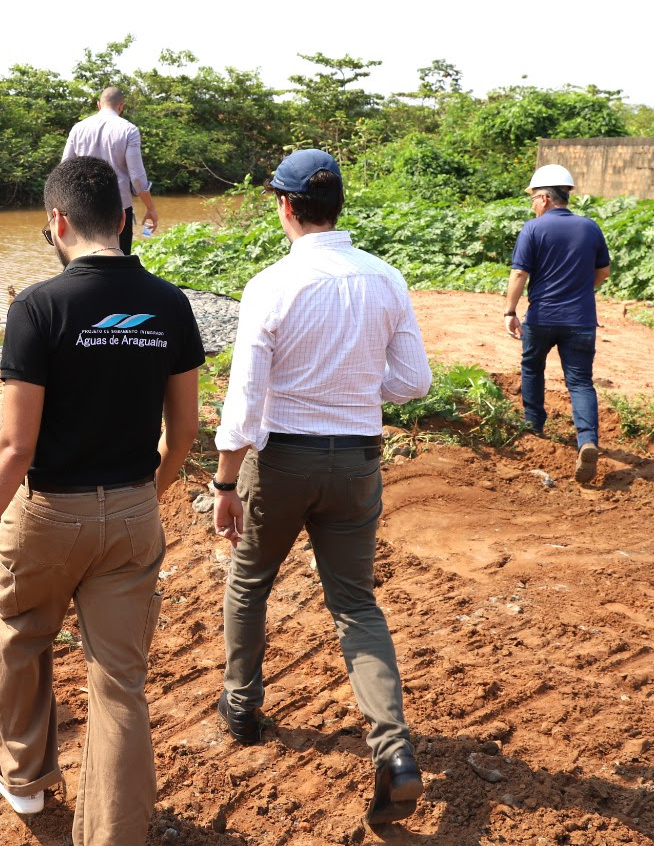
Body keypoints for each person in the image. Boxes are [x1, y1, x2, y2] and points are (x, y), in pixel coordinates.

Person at [0, 155, 204, 846]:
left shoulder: (39, 307)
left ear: (57, 222)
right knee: (120, 681)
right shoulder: (172, 305)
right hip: (134, 507)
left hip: (50, 512)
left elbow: (13, 447)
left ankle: (25, 779)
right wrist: (147, 494)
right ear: (121, 219)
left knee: (23, 632)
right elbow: (184, 432)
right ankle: (115, 835)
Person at [211, 148, 432, 828]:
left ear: (284, 206)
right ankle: (394, 751)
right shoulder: (386, 279)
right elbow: (414, 382)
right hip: (358, 461)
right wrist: (358, 387)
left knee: (250, 580)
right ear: (339, 206)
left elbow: (245, 402)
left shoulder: (271, 285)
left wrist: (223, 479)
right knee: (356, 603)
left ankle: (242, 708)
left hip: (282, 463)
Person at [504, 163, 611, 485]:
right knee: (580, 382)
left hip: (542, 318)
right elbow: (603, 272)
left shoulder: (533, 229)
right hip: (581, 321)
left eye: (534, 198)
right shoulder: (590, 227)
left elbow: (520, 273)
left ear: (546, 199)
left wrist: (510, 311)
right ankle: (587, 440)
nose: (533, 204)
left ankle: (534, 424)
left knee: (533, 367)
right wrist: (578, 291)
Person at [61, 86, 157, 254]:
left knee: (84, 256)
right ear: (121, 106)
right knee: (118, 259)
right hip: (118, 206)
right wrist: (150, 208)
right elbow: (137, 177)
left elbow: (64, 169)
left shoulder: (78, 128)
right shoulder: (129, 130)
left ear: (99, 105)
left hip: (83, 204)